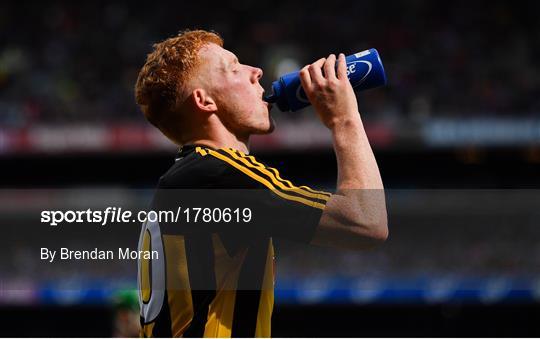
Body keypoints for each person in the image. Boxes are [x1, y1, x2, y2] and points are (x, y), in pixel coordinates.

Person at [134, 29, 387, 338]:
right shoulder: (217, 174)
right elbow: (366, 222)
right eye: (235, 67)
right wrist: (344, 118)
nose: (257, 72)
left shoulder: (192, 175)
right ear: (204, 101)